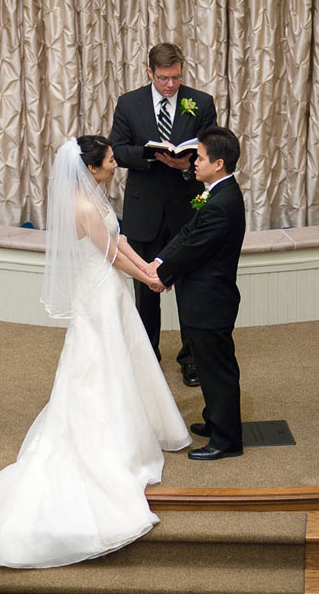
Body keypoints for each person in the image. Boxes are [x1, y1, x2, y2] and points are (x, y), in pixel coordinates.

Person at [0, 136, 192, 568]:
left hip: (107, 292)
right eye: (111, 161)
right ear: (92, 168)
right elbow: (111, 252)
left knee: (119, 363)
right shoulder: (83, 207)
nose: (116, 165)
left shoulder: (90, 197)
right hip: (99, 296)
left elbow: (121, 241)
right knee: (101, 368)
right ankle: (107, 444)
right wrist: (149, 279)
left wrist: (150, 268)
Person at [110, 42, 217, 386]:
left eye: (176, 77)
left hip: (187, 209)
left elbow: (213, 148)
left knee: (190, 289)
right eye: (163, 78)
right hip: (145, 209)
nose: (170, 84)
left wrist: (188, 162)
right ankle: (148, 357)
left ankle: (191, 359)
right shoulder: (129, 103)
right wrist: (149, 156)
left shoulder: (201, 102)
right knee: (146, 290)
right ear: (150, 73)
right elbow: (118, 149)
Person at [148, 127, 246, 461]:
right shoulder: (216, 193)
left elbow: (195, 250)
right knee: (208, 366)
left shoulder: (222, 203)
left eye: (200, 158)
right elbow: (188, 233)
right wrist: (160, 261)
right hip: (203, 297)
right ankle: (215, 420)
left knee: (217, 369)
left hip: (210, 300)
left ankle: (227, 439)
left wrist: (162, 275)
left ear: (218, 164)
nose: (194, 163)